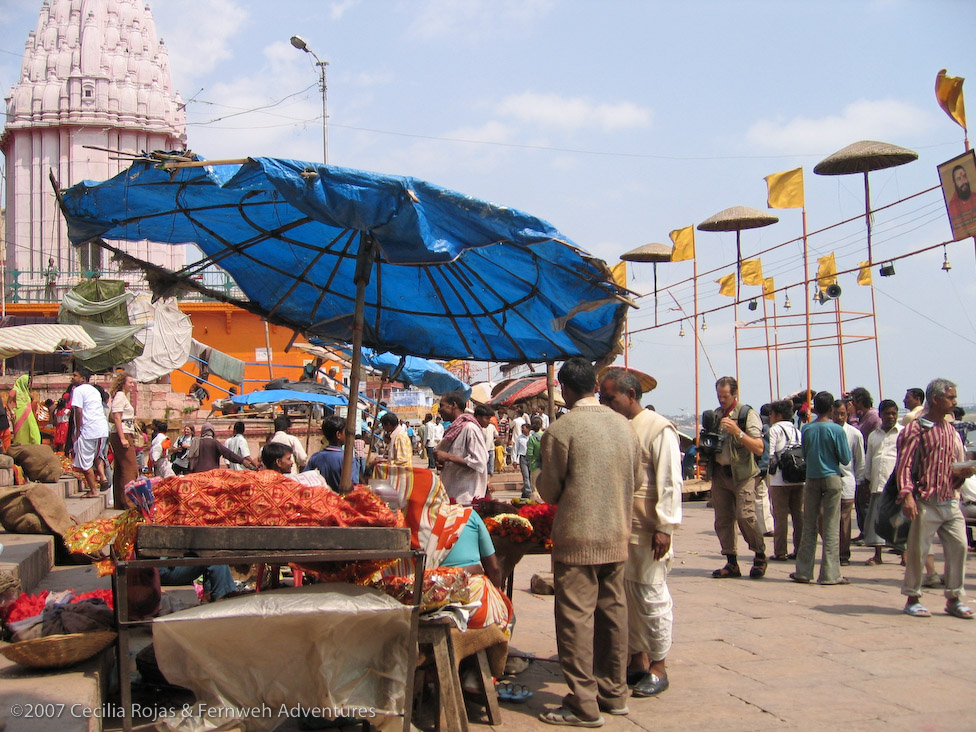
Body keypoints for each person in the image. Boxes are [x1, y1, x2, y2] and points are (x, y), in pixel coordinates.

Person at [536, 358, 642, 726]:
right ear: (595, 387)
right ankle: (614, 694)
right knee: (613, 613)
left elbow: (549, 491)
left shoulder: (562, 431)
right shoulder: (625, 428)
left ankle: (583, 703)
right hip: (616, 534)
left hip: (577, 538)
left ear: (564, 389)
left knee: (575, 620)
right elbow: (638, 480)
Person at [599, 368, 681, 699]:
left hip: (648, 530)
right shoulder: (618, 427)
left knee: (650, 597)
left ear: (631, 395)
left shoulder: (659, 429)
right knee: (625, 599)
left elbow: (670, 481)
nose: (606, 403)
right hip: (621, 527)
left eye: (611, 398)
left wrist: (664, 527)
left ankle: (658, 666)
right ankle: (636, 660)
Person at [897, 378, 975, 619]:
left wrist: (962, 472)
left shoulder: (949, 430)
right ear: (936, 399)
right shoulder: (917, 429)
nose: (954, 402)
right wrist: (907, 495)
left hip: (949, 498)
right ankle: (913, 596)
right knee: (919, 550)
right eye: (950, 398)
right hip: (925, 499)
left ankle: (954, 597)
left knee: (959, 546)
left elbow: (948, 464)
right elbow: (905, 464)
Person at [706, 376, 767, 579]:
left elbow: (759, 448)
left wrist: (738, 432)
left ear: (734, 394)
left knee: (745, 515)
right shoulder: (716, 415)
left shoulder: (746, 414)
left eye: (725, 396)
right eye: (719, 396)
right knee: (723, 519)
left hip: (742, 475)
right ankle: (731, 562)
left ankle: (759, 554)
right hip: (720, 474)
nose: (722, 400)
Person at [790, 391, 852, 585]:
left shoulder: (807, 429)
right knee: (831, 527)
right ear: (832, 408)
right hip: (832, 477)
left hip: (812, 478)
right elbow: (845, 458)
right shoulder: (837, 430)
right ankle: (830, 574)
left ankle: (803, 571)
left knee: (809, 525)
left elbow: (805, 454)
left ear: (815, 408)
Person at [863, 399, 902, 566]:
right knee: (877, 519)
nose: (891, 416)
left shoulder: (903, 433)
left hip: (896, 484)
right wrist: (866, 480)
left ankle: (904, 553)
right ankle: (878, 555)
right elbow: (869, 459)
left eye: (894, 413)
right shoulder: (874, 435)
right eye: (887, 413)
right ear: (880, 415)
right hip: (877, 483)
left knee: (900, 520)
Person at [434, 391, 488, 505]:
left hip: (466, 496)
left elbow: (479, 462)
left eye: (442, 406)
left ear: (453, 405)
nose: (439, 410)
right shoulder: (452, 430)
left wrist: (448, 457)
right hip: (452, 494)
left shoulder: (470, 429)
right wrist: (443, 461)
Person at [767, 400, 804, 562]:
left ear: (777, 415)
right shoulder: (797, 431)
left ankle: (780, 551)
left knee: (780, 516)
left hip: (780, 480)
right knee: (798, 516)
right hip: (799, 478)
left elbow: (769, 453)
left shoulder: (774, 430)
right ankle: (800, 549)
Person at [831, 400, 865, 567]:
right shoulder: (827, 430)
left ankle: (843, 554)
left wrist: (860, 482)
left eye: (842, 414)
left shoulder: (854, 434)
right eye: (836, 414)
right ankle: (832, 551)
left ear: (847, 414)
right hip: (829, 480)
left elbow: (860, 460)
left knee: (844, 520)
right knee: (827, 518)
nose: (839, 417)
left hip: (847, 481)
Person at [70, 366, 110, 497]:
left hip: (88, 430)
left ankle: (93, 491)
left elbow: (78, 411)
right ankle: (103, 478)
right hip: (101, 430)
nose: (72, 377)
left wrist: (77, 429)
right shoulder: (94, 390)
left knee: (85, 462)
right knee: (97, 456)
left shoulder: (78, 390)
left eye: (75, 375)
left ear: (82, 378)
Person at [108, 371, 139, 507]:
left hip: (124, 431)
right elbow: (115, 417)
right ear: (123, 384)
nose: (132, 385)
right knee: (130, 468)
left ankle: (120, 501)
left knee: (121, 469)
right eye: (130, 382)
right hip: (123, 433)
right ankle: (130, 502)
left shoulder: (121, 397)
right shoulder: (120, 396)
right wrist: (122, 438)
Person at [306, 415, 357, 489]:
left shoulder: (315, 457)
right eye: (346, 432)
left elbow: (306, 479)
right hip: (340, 499)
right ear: (338, 435)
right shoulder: (347, 459)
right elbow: (353, 485)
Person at [187, 423, 256, 472]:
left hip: (197, 473)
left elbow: (190, 458)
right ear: (212, 432)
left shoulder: (196, 442)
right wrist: (242, 461)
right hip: (212, 473)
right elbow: (228, 454)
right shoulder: (214, 443)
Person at [8, 374, 41, 445]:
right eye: (27, 382)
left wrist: (30, 395)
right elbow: (8, 403)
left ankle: (34, 444)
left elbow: (31, 400)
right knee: (21, 431)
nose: (28, 384)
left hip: (29, 414)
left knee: (32, 429)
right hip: (19, 413)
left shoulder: (26, 391)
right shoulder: (14, 390)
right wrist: (12, 412)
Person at [946, 163, 976, 239]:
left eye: (964, 176)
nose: (963, 181)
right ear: (954, 183)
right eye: (959, 179)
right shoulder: (952, 206)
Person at [474, 404, 498, 479]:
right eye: (487, 418)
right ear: (478, 417)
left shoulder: (486, 427)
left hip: (489, 448)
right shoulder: (473, 430)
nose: (489, 421)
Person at [513, 422, 531, 498]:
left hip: (531, 458)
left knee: (531, 476)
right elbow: (515, 449)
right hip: (523, 458)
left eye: (523, 428)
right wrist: (514, 460)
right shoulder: (519, 438)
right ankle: (528, 492)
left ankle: (529, 489)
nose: (522, 430)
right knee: (526, 476)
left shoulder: (532, 437)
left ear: (528, 429)